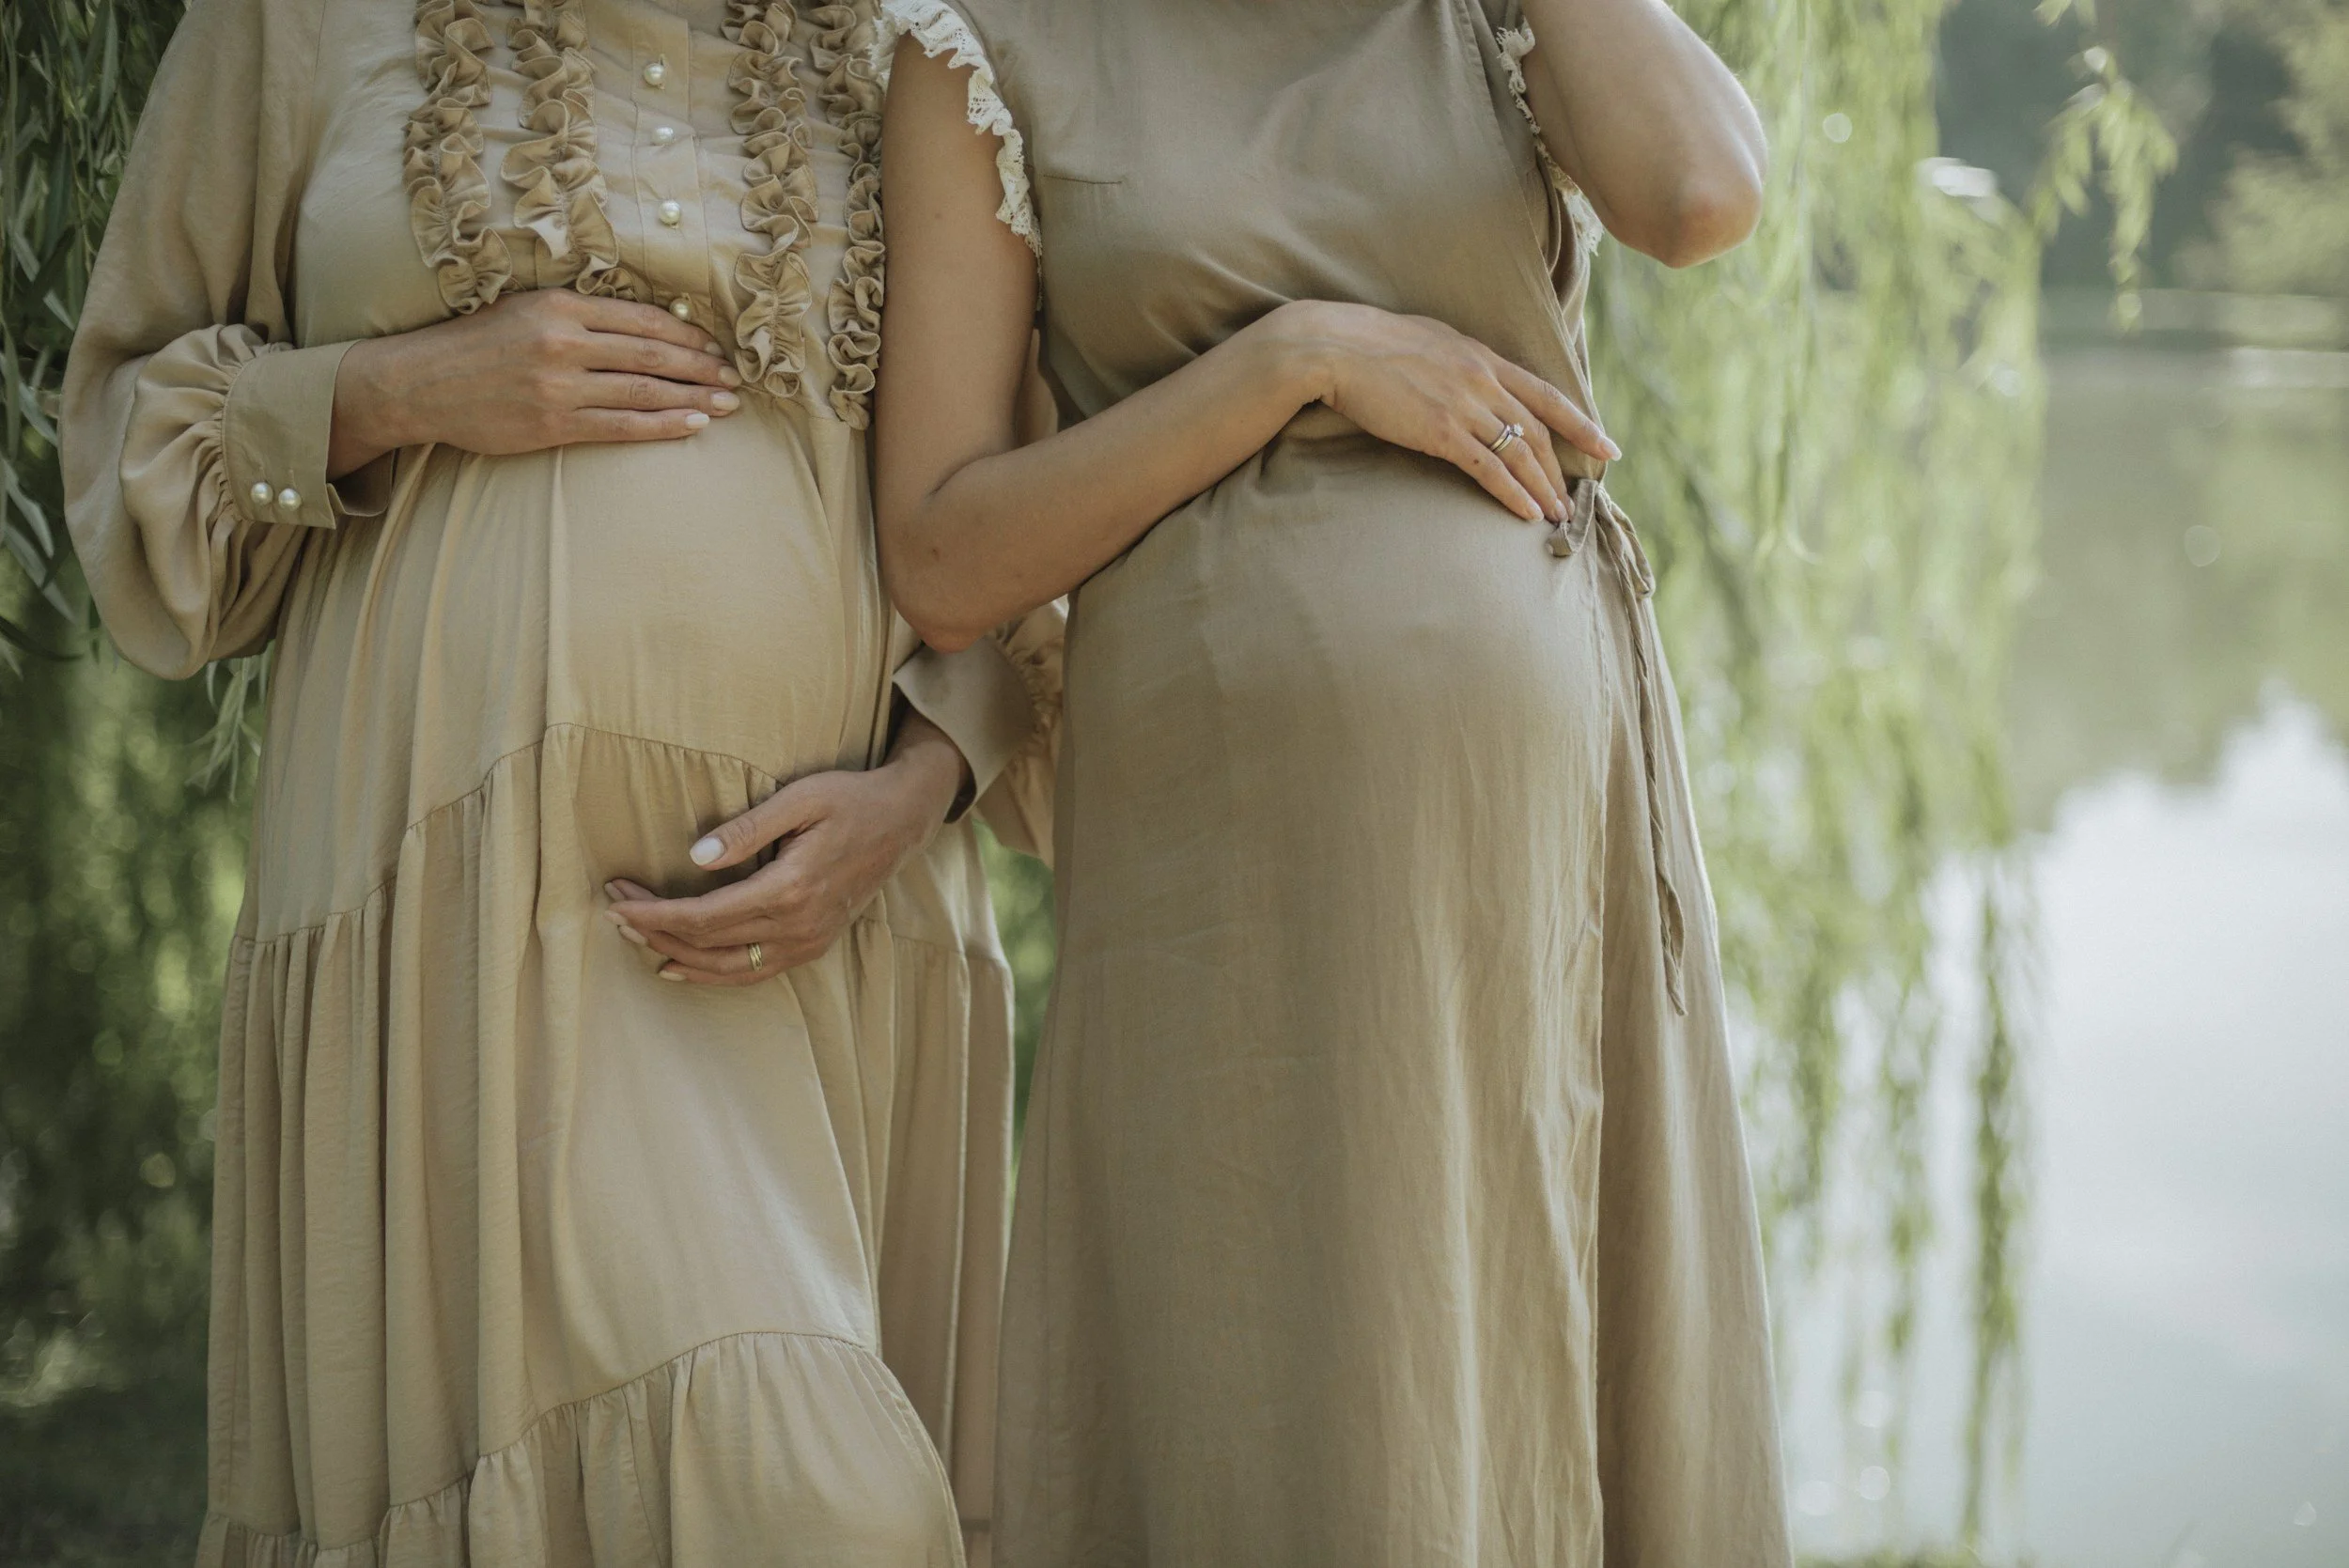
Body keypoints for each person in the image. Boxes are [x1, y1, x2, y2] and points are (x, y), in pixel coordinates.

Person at [63, 0, 1056, 1561]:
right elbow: (127, 447)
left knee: (824, 1504)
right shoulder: (297, 23)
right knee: (812, 1513)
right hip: (469, 913)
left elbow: (1015, 508)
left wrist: (926, 787)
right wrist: (402, 391)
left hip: (832, 928)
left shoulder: (912, 39)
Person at [874, 0, 1791, 1562]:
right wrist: (1296, 364)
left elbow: (1699, 197)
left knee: (1547, 1357)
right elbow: (948, 554)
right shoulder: (982, 43)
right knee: (1278, 1381)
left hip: (1533, 843)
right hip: (1228, 861)